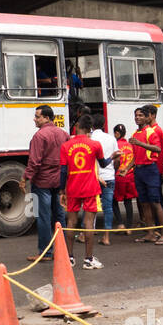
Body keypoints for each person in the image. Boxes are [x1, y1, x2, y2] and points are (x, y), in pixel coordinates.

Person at [20, 105, 67, 259]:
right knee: (59, 216)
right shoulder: (63, 134)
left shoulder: (39, 136)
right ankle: (63, 249)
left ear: (46, 118)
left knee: (43, 217)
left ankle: (46, 252)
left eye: (37, 116)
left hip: (42, 182)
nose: (35, 119)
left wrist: (24, 178)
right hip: (59, 180)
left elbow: (34, 162)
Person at [59, 115, 104, 269]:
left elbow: (63, 171)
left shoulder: (66, 146)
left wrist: (61, 191)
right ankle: (88, 260)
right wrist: (113, 157)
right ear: (90, 128)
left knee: (71, 222)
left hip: (72, 188)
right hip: (91, 187)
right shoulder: (95, 144)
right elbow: (103, 163)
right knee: (89, 223)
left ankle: (70, 258)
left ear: (77, 126)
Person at [129, 105, 163, 245]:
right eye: (136, 115)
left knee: (155, 202)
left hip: (150, 169)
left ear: (147, 118)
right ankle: (151, 233)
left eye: (140, 115)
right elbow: (135, 156)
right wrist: (126, 169)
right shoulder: (135, 134)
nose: (137, 118)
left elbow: (158, 149)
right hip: (139, 171)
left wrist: (140, 143)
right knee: (144, 203)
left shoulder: (150, 132)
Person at [92, 116, 118, 246]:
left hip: (94, 177)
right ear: (104, 124)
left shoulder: (90, 139)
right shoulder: (112, 138)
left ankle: (85, 234)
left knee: (91, 207)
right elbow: (117, 158)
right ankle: (106, 237)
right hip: (109, 176)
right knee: (108, 208)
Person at [112, 123, 137, 234]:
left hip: (119, 177)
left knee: (114, 201)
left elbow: (116, 161)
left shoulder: (116, 145)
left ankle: (120, 223)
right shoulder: (130, 145)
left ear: (117, 133)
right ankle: (129, 226)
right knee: (128, 201)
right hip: (130, 176)